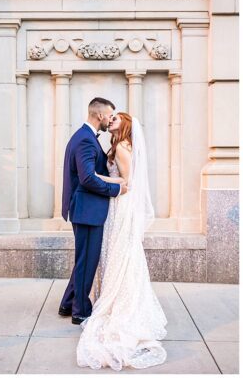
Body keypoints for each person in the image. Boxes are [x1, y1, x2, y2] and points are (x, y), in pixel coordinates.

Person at [76, 112, 167, 370]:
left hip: (122, 204)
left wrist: (98, 177)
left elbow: (128, 183)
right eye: (111, 116)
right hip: (115, 204)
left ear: (125, 125)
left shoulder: (124, 148)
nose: (112, 119)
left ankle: (120, 301)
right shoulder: (115, 146)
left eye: (116, 118)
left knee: (122, 252)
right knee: (115, 252)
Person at [59, 99, 126, 325]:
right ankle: (80, 311)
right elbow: (87, 179)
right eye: (109, 115)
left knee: (83, 259)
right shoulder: (86, 140)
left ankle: (68, 303)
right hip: (87, 209)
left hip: (84, 208)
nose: (110, 119)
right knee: (87, 261)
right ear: (99, 116)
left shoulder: (82, 136)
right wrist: (116, 189)